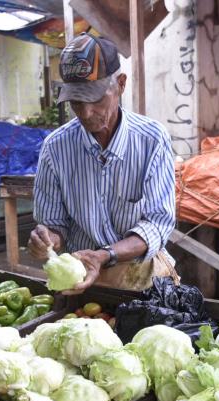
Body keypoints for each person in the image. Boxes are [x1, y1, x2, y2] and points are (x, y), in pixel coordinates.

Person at [27, 33, 179, 294]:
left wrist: (105, 255)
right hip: (82, 281)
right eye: (76, 102)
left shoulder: (152, 140)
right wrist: (46, 240)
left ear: (120, 84)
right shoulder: (55, 147)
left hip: (145, 278)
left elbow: (158, 223)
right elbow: (54, 224)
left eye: (96, 99)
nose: (86, 113)